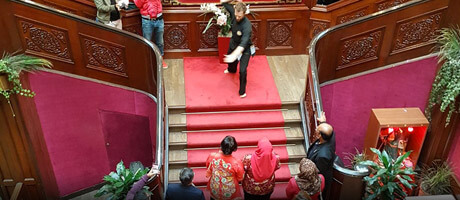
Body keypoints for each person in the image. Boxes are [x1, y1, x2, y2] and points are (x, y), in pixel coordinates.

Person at [221, 0, 253, 98]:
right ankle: (231, 70)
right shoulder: (233, 12)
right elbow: (222, 2)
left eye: (240, 16)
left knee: (242, 71)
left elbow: (243, 43)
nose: (237, 18)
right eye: (236, 15)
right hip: (233, 43)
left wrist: (234, 55)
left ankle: (242, 92)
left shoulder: (247, 26)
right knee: (231, 63)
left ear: (244, 13)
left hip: (245, 49)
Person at [306, 112, 335, 199]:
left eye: (317, 130)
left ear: (319, 136)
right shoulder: (330, 136)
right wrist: (323, 122)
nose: (315, 129)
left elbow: (317, 173)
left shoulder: (323, 156)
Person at [206, 135, 244, 200]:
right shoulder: (236, 162)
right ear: (234, 149)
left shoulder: (212, 156)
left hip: (216, 185)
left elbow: (208, 166)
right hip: (229, 188)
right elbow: (240, 178)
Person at [134, 0, 168, 68]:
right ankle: (148, 61)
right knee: (147, 42)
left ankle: (160, 59)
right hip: (147, 20)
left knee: (160, 42)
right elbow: (138, 4)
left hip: (159, 19)